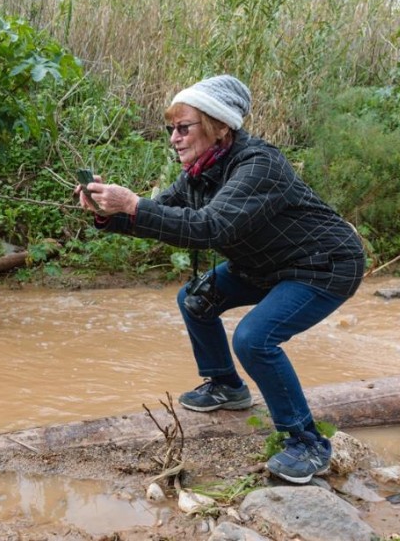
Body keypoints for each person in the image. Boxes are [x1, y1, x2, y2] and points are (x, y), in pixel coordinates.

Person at [75, 74, 365, 484]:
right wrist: (108, 212)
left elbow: (209, 228)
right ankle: (226, 386)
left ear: (219, 126)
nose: (174, 138)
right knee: (195, 300)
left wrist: (133, 204)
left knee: (254, 339)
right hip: (263, 264)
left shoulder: (259, 164)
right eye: (170, 129)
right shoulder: (199, 171)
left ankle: (307, 442)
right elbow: (162, 217)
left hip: (324, 264)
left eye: (183, 127)